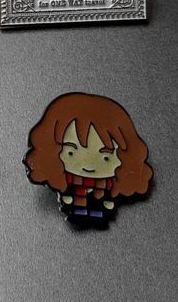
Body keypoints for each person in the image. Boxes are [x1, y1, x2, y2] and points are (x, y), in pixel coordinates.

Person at [24, 92, 153, 226]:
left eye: (106, 158)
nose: (88, 166)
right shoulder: (69, 180)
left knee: (98, 201)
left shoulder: (109, 183)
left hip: (101, 201)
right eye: (71, 153)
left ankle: (97, 208)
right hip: (74, 199)